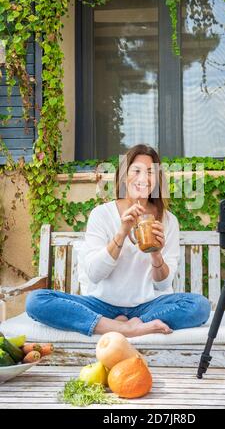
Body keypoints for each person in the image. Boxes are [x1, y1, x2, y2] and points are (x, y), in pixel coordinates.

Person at [26, 144, 211, 337]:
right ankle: (124, 328)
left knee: (199, 306)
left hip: (147, 306)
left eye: (150, 172)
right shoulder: (102, 214)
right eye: (136, 170)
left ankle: (128, 324)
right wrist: (122, 232)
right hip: (101, 304)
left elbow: (162, 286)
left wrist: (156, 253)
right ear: (124, 176)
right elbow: (95, 274)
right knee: (36, 301)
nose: (143, 178)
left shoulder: (168, 220)